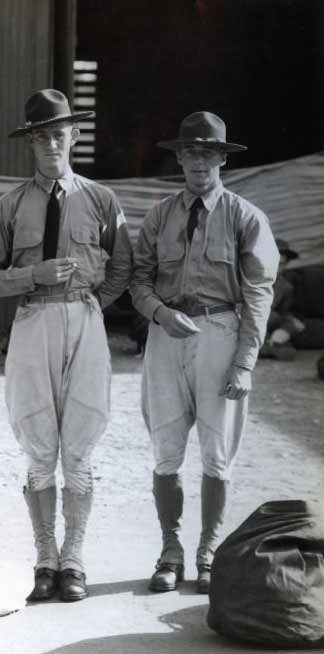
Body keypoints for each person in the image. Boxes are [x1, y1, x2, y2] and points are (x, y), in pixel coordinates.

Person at [0, 89, 132, 602]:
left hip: (83, 321)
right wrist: (32, 275)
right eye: (40, 136)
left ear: (74, 136)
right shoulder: (11, 204)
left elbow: (124, 266)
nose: (50, 144)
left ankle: (75, 558)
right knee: (40, 448)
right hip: (32, 319)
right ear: (30, 143)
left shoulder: (102, 200)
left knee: (80, 449)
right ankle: (45, 557)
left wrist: (91, 303)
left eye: (58, 134)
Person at [131, 111, 279, 594]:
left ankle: (208, 551)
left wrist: (245, 362)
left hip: (220, 330)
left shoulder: (245, 216)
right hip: (166, 335)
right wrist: (158, 313)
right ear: (179, 158)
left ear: (221, 158)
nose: (198, 162)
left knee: (217, 453)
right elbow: (138, 280)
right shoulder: (159, 215)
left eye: (207, 153)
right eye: (189, 152)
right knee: (165, 448)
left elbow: (259, 290)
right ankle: (170, 550)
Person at [259, 238, 305, 359]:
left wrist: (289, 325)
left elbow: (282, 314)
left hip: (267, 325)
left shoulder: (286, 287)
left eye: (281, 264)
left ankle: (269, 345)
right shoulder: (249, 278)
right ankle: (265, 348)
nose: (276, 268)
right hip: (244, 322)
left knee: (288, 352)